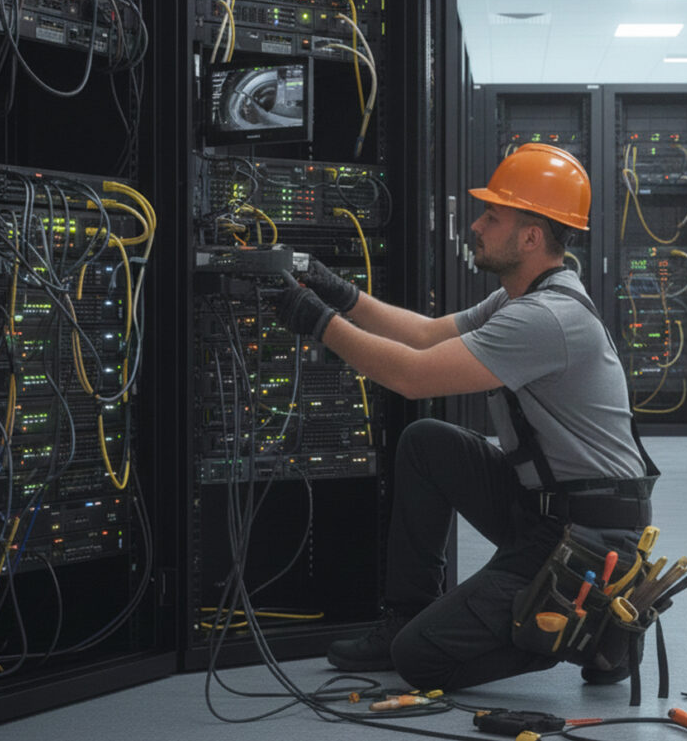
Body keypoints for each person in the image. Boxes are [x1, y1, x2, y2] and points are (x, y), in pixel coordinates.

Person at [274, 143, 655, 692]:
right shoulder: (520, 297)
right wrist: (340, 294)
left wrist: (317, 322)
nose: (476, 225)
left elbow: (413, 374)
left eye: (492, 216)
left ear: (530, 236)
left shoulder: (545, 318)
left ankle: (583, 631)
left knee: (421, 660)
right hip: (542, 509)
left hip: (589, 536)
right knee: (428, 443)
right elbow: (427, 335)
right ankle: (408, 611)